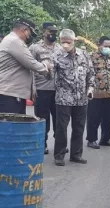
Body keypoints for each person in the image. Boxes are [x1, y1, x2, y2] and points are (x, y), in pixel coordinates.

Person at [52, 29, 95, 166]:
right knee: (61, 128)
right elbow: (49, 74)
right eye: (63, 42)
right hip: (63, 98)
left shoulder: (84, 55)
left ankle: (76, 154)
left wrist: (90, 89)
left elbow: (91, 73)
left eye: (68, 42)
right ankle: (59, 155)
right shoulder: (56, 55)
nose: (65, 45)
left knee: (79, 128)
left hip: (81, 99)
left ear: (74, 41)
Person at [0, 19, 50, 114]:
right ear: (24, 30)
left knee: (15, 127)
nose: (30, 37)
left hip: (12, 94)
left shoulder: (10, 40)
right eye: (30, 33)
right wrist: (46, 67)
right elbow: (31, 63)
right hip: (9, 95)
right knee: (10, 127)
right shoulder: (14, 41)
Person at [29, 22, 62, 155]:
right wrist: (32, 89)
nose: (52, 34)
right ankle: (42, 144)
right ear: (44, 32)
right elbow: (30, 68)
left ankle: (60, 145)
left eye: (54, 32)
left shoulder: (60, 48)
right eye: (50, 32)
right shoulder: (35, 48)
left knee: (59, 120)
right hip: (42, 89)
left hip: (59, 90)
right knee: (43, 119)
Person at [86, 36, 110, 149]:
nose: (108, 48)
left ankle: (105, 139)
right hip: (95, 92)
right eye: (106, 46)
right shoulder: (92, 57)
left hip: (109, 92)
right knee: (94, 117)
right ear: (99, 45)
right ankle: (91, 139)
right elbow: (88, 73)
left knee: (108, 117)